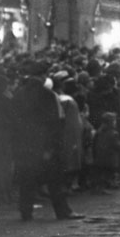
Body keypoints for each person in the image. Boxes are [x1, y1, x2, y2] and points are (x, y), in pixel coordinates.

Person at [12, 60, 82, 220]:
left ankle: (26, 211)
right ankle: (63, 211)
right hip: (45, 146)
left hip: (24, 144)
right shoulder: (47, 95)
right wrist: (54, 146)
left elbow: (14, 121)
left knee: (27, 178)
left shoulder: (19, 94)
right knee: (55, 180)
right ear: (42, 76)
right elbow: (55, 123)